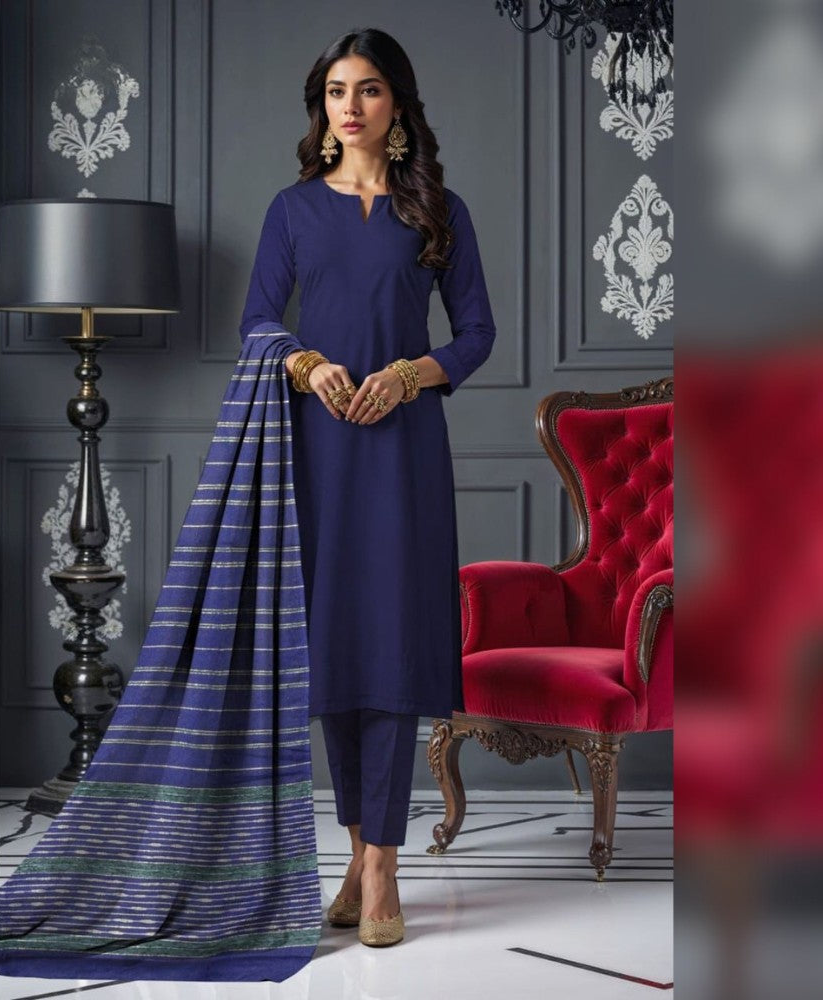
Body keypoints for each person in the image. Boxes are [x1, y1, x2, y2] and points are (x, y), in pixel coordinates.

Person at [239, 27, 496, 947]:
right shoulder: (293, 211)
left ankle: (382, 866)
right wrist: (307, 364)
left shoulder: (438, 212)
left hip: (403, 451)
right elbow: (256, 322)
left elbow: (476, 334)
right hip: (316, 450)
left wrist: (410, 375)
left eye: (369, 89)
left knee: (390, 646)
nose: (350, 106)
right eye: (336, 91)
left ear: (398, 106)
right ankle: (355, 853)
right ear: (323, 107)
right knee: (335, 652)